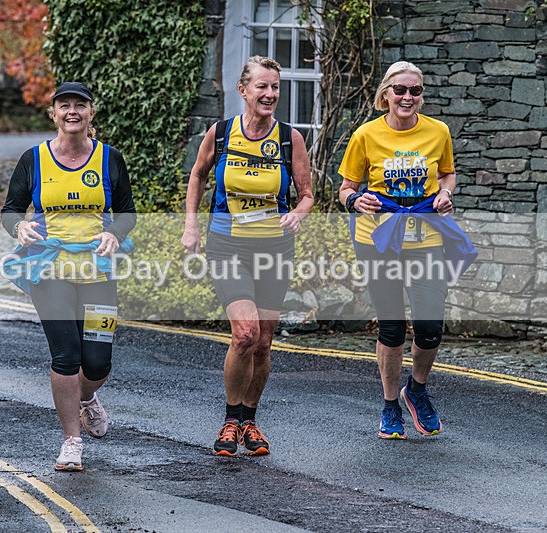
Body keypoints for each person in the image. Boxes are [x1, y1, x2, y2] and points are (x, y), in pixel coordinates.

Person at [181, 56, 314, 456]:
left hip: (274, 248)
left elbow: (307, 194)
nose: (270, 94)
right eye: (262, 86)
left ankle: (249, 422)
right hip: (227, 246)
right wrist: (191, 225)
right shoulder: (220, 134)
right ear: (244, 90)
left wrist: (298, 212)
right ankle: (229, 419)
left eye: (275, 87)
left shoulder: (290, 138)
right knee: (245, 334)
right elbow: (198, 175)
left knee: (264, 343)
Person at [0, 81, 136, 470]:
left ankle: (87, 398)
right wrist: (19, 228)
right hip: (49, 270)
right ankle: (71, 441)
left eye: (80, 105)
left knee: (97, 362)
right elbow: (11, 209)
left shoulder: (110, 158)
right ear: (53, 114)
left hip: (98, 270)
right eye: (64, 105)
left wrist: (115, 232)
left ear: (92, 113)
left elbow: (128, 212)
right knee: (65, 355)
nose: (72, 111)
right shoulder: (34, 159)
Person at [338, 61, 475, 440]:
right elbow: (346, 188)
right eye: (400, 90)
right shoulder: (366, 135)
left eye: (414, 91)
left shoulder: (438, 131)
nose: (407, 97)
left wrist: (446, 193)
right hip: (378, 239)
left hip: (426, 237)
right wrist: (355, 202)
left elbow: (447, 173)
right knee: (393, 327)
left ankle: (415, 389)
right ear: (385, 94)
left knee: (431, 327)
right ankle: (389, 406)